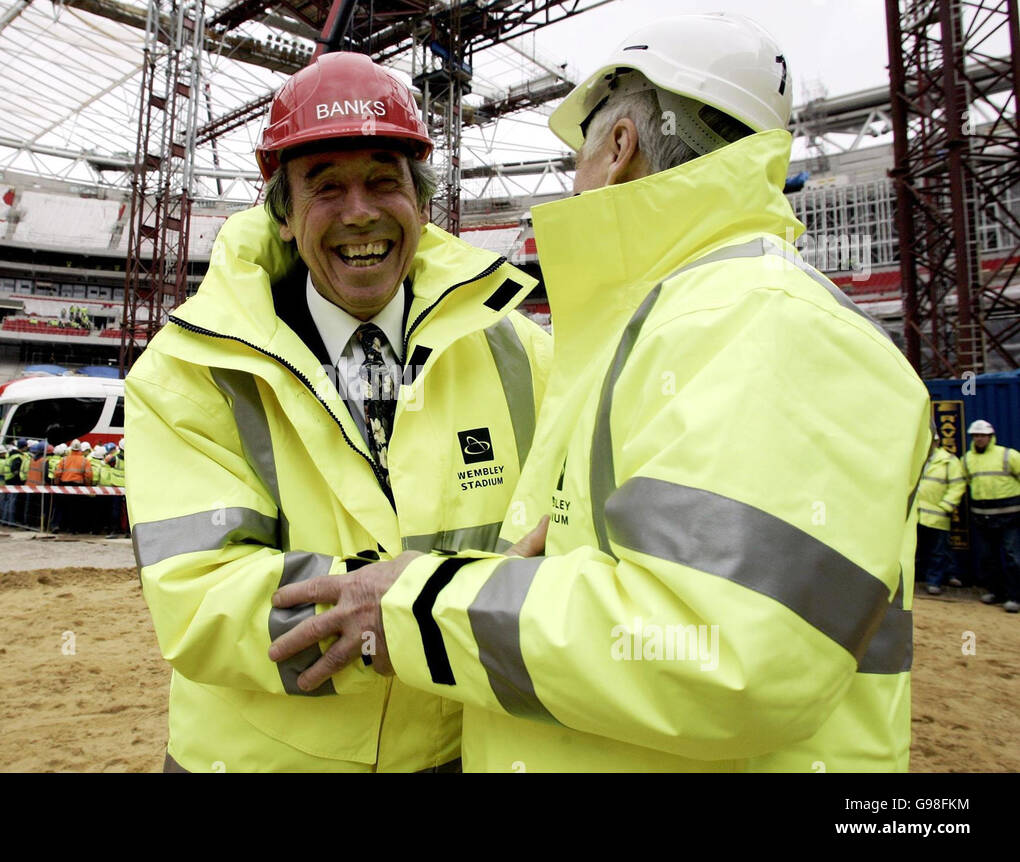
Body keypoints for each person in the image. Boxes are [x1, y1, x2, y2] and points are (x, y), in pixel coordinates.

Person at [268, 15, 930, 772]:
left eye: (575, 150)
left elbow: (721, 656)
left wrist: (421, 604)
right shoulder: (662, 329)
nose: (569, 178)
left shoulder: (761, 322)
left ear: (617, 149)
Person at [125, 51, 552, 772]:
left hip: (457, 752)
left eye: (384, 182)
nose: (360, 213)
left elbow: (554, 542)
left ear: (420, 204)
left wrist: (409, 608)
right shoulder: (189, 370)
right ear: (285, 217)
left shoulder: (518, 351)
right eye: (325, 188)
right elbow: (195, 598)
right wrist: (363, 619)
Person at [962, 419, 1020, 612]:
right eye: (976, 436)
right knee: (988, 557)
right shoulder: (967, 459)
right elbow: (968, 483)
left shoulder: (1007, 455)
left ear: (990, 437)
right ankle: (996, 592)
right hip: (982, 517)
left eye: (983, 436)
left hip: (1010, 517)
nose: (979, 439)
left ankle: (1015, 597)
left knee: (1012, 557)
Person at [915, 430, 966, 595]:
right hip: (915, 514)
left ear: (937, 443)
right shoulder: (915, 459)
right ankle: (917, 579)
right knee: (915, 549)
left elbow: (957, 485)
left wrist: (946, 506)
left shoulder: (948, 461)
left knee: (937, 551)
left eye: (932, 442)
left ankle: (934, 582)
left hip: (937, 515)